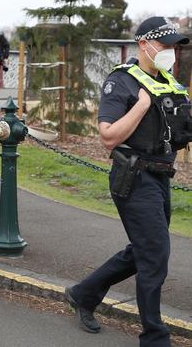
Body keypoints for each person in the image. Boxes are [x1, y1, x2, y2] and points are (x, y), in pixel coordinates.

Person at [65, 17, 190, 347]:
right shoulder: (121, 82)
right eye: (165, 47)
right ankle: (155, 337)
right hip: (133, 177)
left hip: (160, 177)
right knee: (156, 256)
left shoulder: (170, 84)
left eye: (174, 48)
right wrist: (141, 107)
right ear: (144, 44)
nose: (171, 54)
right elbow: (107, 136)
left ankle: (83, 293)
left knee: (145, 251)